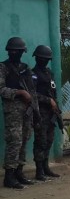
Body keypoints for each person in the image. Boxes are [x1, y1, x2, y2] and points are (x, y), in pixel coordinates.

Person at [0, 37, 40, 189]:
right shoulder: (3, 67)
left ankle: (19, 172)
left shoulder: (25, 68)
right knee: (14, 141)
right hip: (13, 111)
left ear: (23, 52)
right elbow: (1, 89)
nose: (14, 53)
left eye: (17, 51)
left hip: (27, 110)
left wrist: (36, 111)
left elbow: (32, 91)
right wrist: (19, 92)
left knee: (24, 139)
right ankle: (9, 176)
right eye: (12, 50)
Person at [31, 45, 61, 180]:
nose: (44, 61)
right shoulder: (33, 74)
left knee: (49, 140)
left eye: (46, 59)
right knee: (40, 141)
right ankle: (39, 170)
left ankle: (45, 167)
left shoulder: (49, 73)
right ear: (37, 58)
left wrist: (55, 106)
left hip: (50, 113)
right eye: (42, 58)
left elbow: (53, 92)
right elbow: (32, 94)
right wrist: (48, 100)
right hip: (40, 111)